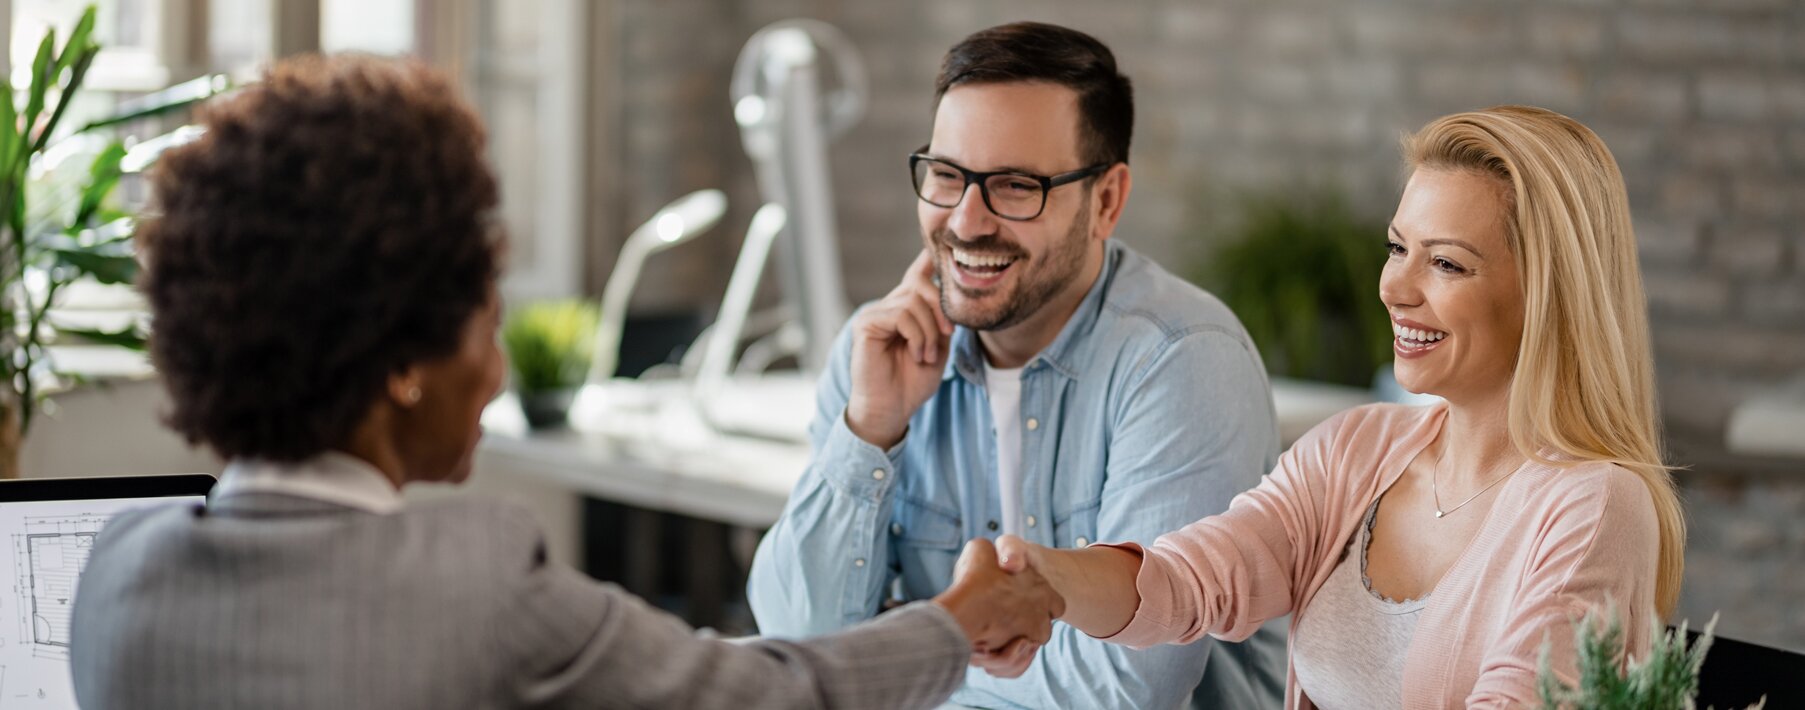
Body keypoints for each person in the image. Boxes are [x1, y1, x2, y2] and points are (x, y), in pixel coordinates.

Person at [67, 54, 1063, 710]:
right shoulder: (475, 585)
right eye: (484, 320)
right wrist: (956, 619)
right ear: (404, 364)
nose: (497, 366)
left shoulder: (118, 573)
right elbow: (771, 695)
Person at [996, 105, 1688, 708]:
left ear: (1548, 294)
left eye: (1444, 263)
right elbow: (1190, 579)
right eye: (1397, 248)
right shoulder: (1358, 448)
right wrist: (1043, 581)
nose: (1395, 287)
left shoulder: (1594, 506)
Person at [748, 21, 1285, 709]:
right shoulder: (877, 349)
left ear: (1106, 201)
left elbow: (1125, 691)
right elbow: (799, 638)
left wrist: (891, 659)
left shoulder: (1180, 361)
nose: (966, 221)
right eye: (946, 176)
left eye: (1014, 186)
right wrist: (869, 429)